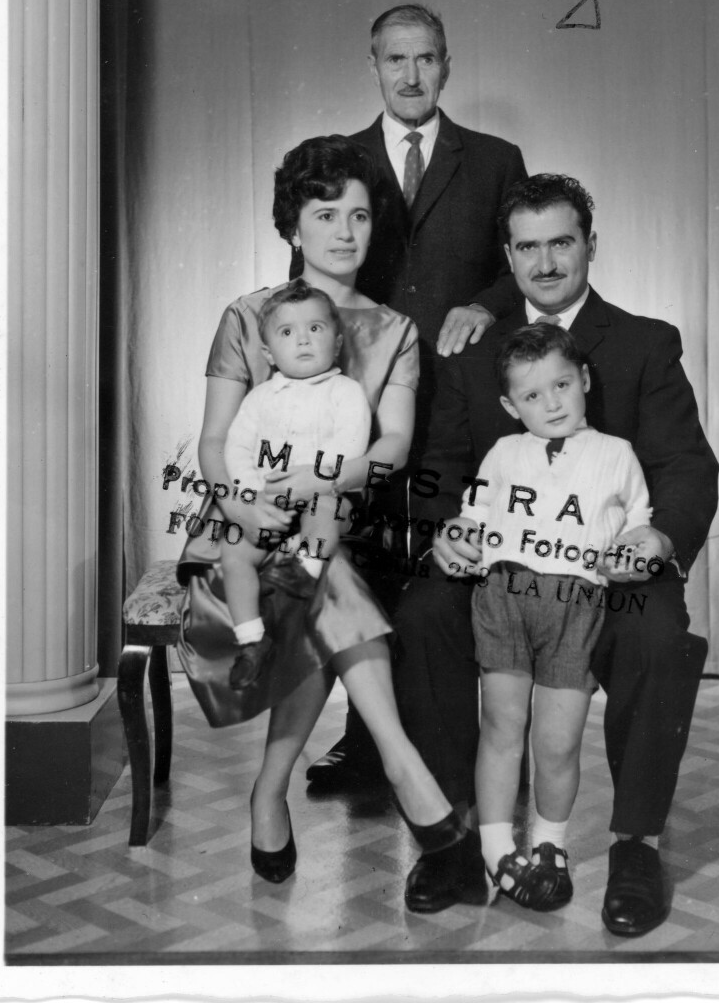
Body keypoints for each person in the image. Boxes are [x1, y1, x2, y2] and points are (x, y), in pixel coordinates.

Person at [394, 174, 719, 931]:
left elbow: (685, 467)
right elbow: (438, 467)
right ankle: (453, 835)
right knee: (423, 617)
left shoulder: (643, 342)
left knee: (654, 633)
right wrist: (447, 528)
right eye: (528, 247)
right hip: (501, 569)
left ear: (589, 246)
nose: (545, 264)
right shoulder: (473, 349)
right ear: (506, 256)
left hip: (608, 568)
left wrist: (657, 538)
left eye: (561, 243)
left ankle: (633, 844)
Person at [179, 135, 486, 913]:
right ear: (293, 227)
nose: (346, 231)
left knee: (329, 573)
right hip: (239, 527)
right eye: (325, 215)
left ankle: (269, 791)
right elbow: (216, 441)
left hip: (339, 526)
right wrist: (242, 500)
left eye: (358, 215)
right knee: (329, 587)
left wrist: (327, 481)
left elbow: (390, 444)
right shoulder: (249, 317)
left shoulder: (394, 330)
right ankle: (403, 766)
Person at [306, 1, 529, 791]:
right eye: (394, 59)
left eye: (424, 58)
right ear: (373, 64)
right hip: (360, 398)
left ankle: (443, 747)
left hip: (456, 402)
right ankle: (366, 742)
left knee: (434, 567)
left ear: (446, 64)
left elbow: (522, 265)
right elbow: (313, 268)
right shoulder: (342, 158)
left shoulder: (495, 158)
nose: (409, 74)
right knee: (359, 562)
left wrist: (484, 305)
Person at [460, 323, 651, 911]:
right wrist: (463, 534)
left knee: (558, 741)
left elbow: (639, 524)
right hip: (503, 596)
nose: (552, 403)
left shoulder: (616, 455)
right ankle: (496, 850)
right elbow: (473, 517)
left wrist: (636, 548)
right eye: (532, 395)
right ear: (508, 405)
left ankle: (549, 846)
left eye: (562, 385)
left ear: (584, 380)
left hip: (576, 605)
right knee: (500, 726)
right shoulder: (503, 452)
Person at [220, 279, 372, 689]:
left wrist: (311, 482)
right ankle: (252, 639)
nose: (303, 340)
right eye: (288, 333)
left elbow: (350, 447)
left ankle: (306, 569)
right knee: (233, 551)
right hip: (270, 501)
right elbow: (236, 448)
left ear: (337, 343)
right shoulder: (260, 398)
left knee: (326, 509)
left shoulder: (346, 392)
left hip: (325, 495)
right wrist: (253, 494)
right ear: (269, 353)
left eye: (316, 330)